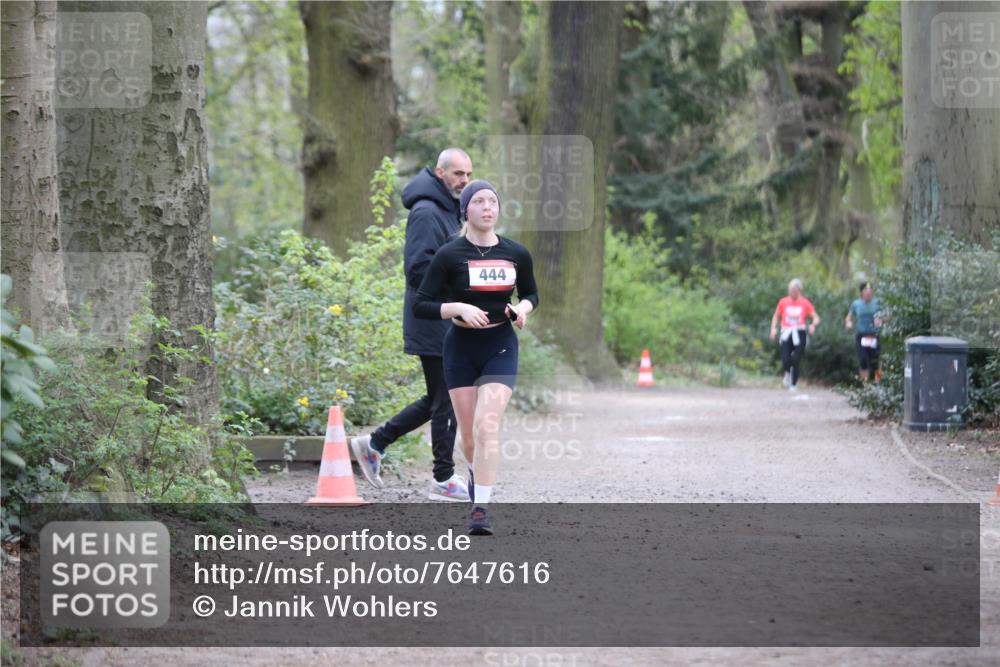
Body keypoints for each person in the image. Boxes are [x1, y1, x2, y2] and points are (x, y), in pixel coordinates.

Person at [412, 180, 538, 535]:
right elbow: (421, 304)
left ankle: (480, 509)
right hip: (460, 349)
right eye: (479, 201)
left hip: (500, 345)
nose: (487, 207)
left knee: (487, 425)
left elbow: (531, 293)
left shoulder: (516, 252)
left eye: (492, 202)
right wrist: (459, 308)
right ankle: (473, 472)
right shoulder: (449, 255)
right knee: (468, 436)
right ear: (465, 210)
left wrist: (522, 308)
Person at [350, 148, 473, 502]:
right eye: (456, 174)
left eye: (467, 174)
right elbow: (418, 269)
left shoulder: (450, 211)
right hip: (432, 317)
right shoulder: (426, 212)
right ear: (439, 173)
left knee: (440, 396)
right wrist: (457, 289)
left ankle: (374, 444)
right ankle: (443, 478)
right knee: (447, 397)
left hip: (446, 316)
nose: (463, 180)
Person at [769, 278, 820, 392]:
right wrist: (773, 329)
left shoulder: (805, 302)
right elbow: (776, 316)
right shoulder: (783, 302)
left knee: (796, 359)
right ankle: (787, 372)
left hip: (799, 332)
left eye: (794, 290)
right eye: (790, 290)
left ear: (799, 290)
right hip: (786, 332)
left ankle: (793, 384)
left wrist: (812, 325)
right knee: (786, 359)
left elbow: (816, 317)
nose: (792, 293)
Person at [845, 281, 883, 383]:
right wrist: (849, 323)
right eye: (866, 290)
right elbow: (849, 317)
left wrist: (881, 319)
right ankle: (865, 388)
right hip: (861, 336)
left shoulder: (877, 303)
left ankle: (878, 385)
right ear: (862, 292)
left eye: (870, 290)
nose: (868, 292)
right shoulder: (856, 304)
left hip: (874, 335)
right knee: (863, 361)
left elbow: (888, 315)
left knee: (875, 362)